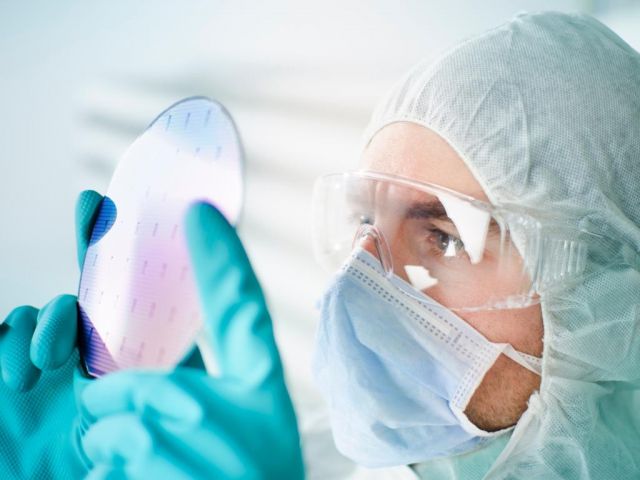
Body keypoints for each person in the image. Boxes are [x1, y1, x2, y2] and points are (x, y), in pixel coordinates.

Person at [1, 10, 639, 479]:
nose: (361, 277)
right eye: (365, 223)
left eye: (442, 236)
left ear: (607, 297)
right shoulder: (305, 462)